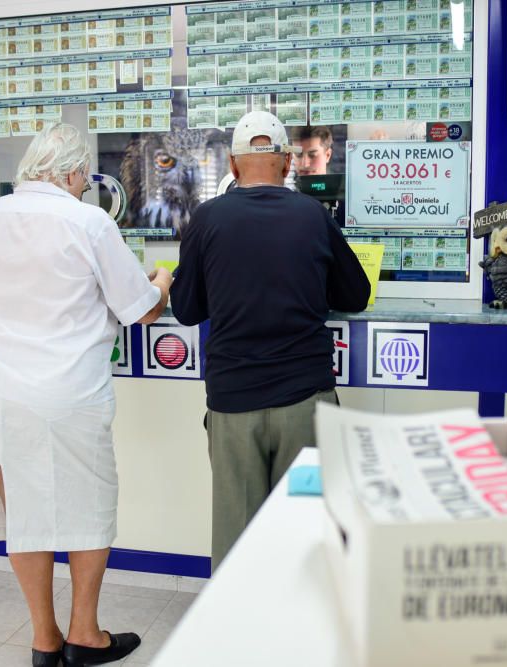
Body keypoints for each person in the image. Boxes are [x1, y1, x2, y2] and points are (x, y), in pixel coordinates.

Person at [0, 123, 171, 667]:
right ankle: (84, 635)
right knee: (88, 508)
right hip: (63, 392)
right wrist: (161, 280)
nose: (84, 187)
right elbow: (141, 310)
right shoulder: (87, 221)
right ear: (72, 173)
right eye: (83, 179)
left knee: (26, 512)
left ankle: (44, 641)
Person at [170, 111, 370, 570]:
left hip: (234, 402)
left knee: (237, 541)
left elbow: (186, 310)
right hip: (305, 400)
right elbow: (355, 295)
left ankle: (242, 634)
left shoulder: (208, 219)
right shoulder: (312, 216)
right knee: (304, 533)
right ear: (286, 163)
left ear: (234, 168)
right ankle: (302, 633)